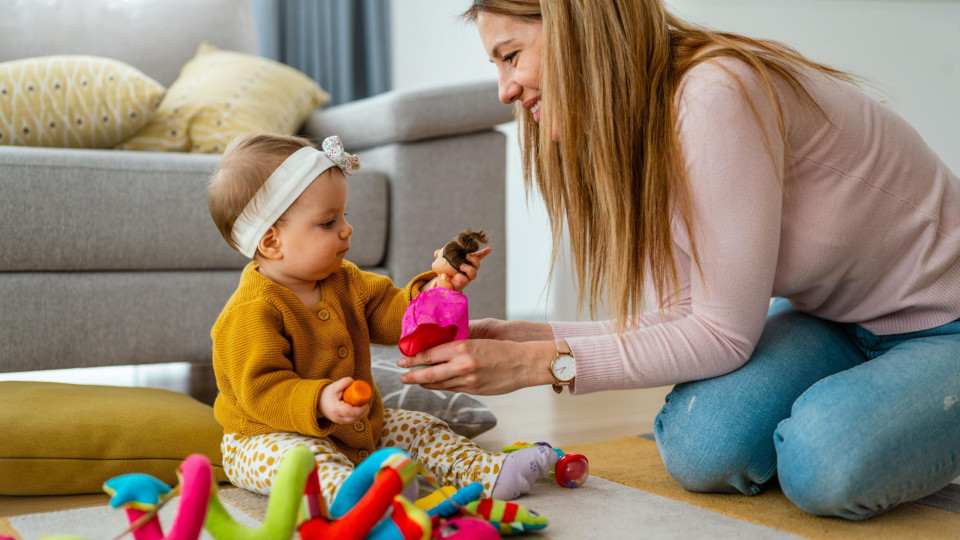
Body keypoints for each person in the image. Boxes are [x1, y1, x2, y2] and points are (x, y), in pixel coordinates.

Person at [398, 0, 960, 520]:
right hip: (836, 319)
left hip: (945, 322)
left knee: (823, 463)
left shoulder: (713, 93)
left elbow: (722, 336)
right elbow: (689, 315)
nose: (503, 90)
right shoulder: (637, 130)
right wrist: (521, 338)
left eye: (512, 56)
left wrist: (534, 366)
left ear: (577, 28)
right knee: (702, 447)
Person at [206, 133, 556, 505]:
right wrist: (320, 399)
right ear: (271, 242)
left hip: (353, 429)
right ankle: (362, 501)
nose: (346, 228)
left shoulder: (346, 280)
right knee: (304, 462)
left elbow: (394, 314)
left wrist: (437, 289)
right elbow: (262, 391)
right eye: (328, 223)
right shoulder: (251, 311)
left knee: (423, 428)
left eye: (344, 215)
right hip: (265, 438)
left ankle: (489, 474)